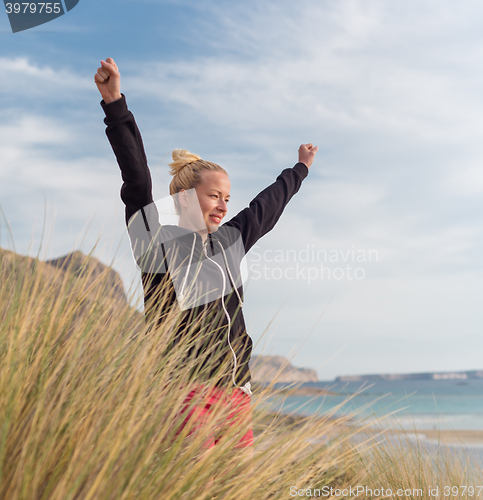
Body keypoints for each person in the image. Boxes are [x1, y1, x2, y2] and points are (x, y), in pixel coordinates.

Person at [95, 57, 317, 451]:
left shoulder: (231, 239)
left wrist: (299, 169)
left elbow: (267, 206)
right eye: (214, 195)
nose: (223, 205)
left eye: (227, 198)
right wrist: (116, 106)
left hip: (236, 389)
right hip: (183, 389)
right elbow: (137, 177)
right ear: (183, 197)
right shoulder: (156, 242)